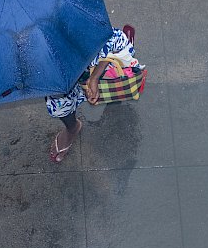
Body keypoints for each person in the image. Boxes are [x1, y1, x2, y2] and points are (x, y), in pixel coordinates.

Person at [46, 26, 139, 163]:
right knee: (59, 103)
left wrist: (95, 76)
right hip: (58, 74)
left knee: (116, 74)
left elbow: (110, 38)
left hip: (92, 57)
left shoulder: (72, 22)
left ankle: (117, 80)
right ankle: (72, 128)